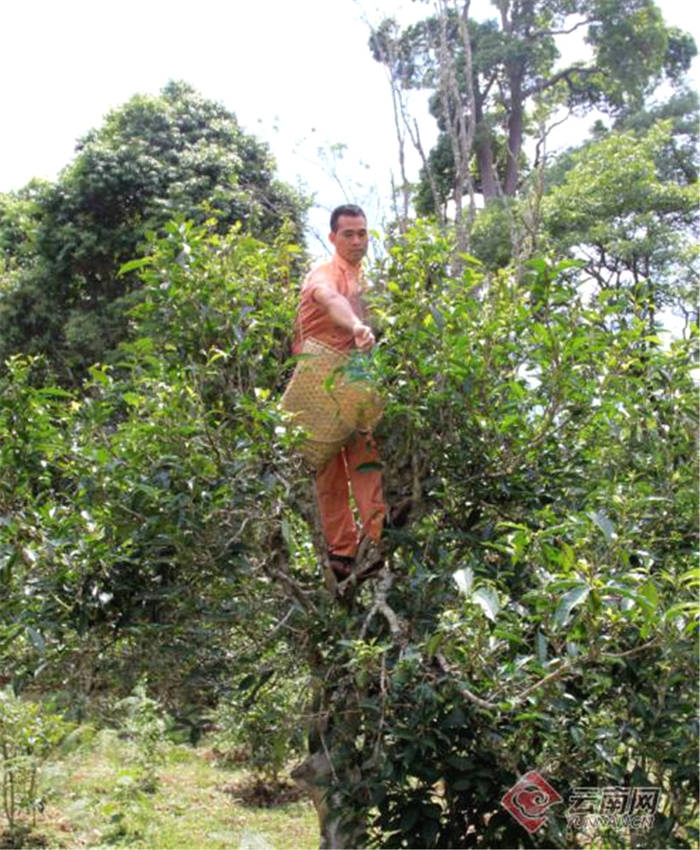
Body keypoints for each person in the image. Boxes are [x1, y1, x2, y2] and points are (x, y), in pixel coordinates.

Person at [292, 204, 387, 583]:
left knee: (365, 451)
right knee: (326, 463)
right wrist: (357, 326)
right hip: (318, 375)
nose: (356, 240)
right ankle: (341, 548)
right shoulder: (324, 273)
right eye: (348, 234)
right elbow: (330, 301)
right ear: (333, 238)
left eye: (362, 233)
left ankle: (377, 536)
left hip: (355, 373)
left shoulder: (365, 279)